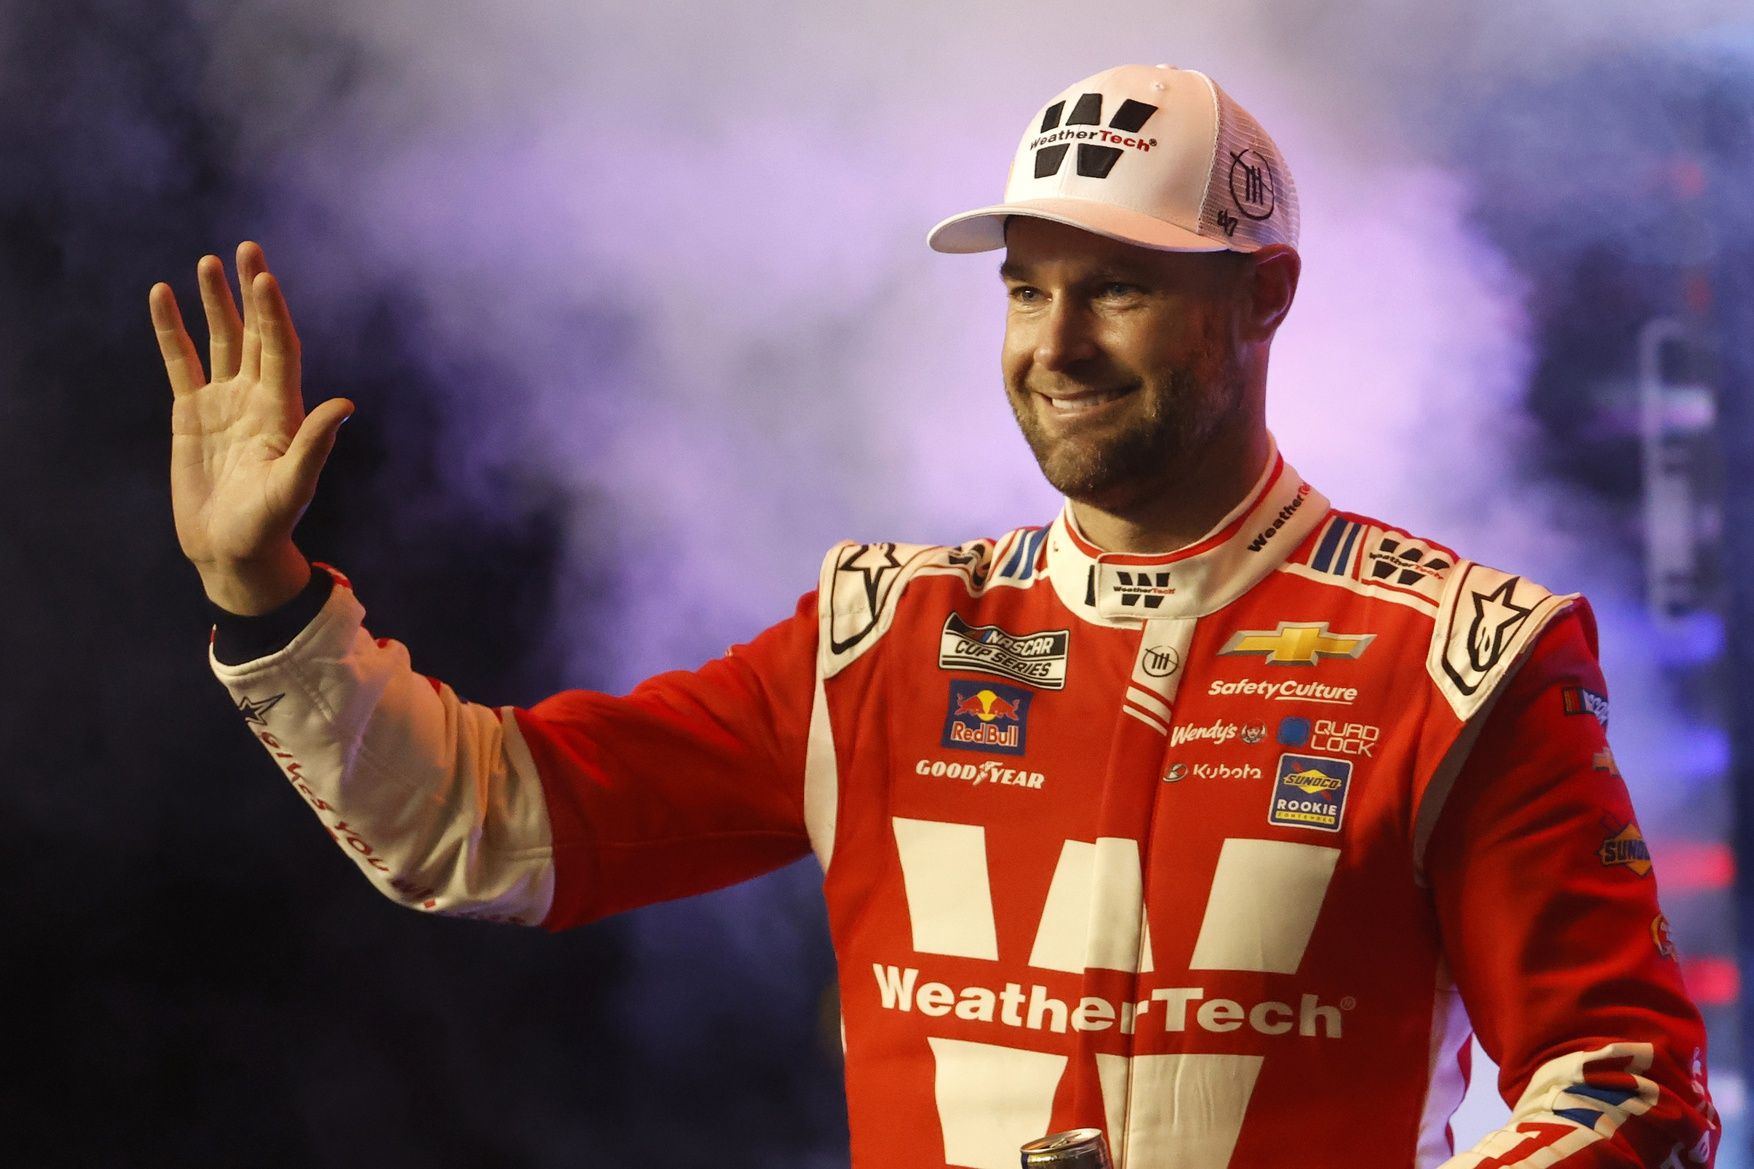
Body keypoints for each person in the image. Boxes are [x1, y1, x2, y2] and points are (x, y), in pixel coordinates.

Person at [151, 63, 1716, 1168]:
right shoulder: (874, 641)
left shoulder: (1465, 655)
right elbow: (481, 821)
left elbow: (1626, 1088)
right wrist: (263, 597)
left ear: (1264, 295)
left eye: (1117, 285)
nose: (1057, 340)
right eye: (1027, 286)